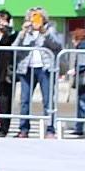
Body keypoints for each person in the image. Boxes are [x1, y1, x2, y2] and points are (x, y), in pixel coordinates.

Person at [14, 8, 62, 138]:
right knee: (24, 100)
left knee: (47, 100)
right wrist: (23, 32)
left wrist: (43, 32)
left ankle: (50, 130)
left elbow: (57, 46)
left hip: (44, 68)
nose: (34, 20)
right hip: (27, 69)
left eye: (37, 17)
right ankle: (23, 129)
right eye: (32, 17)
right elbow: (14, 47)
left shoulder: (49, 30)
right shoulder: (26, 32)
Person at [72, 25, 85, 137]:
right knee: (81, 102)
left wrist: (76, 69)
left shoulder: (83, 46)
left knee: (83, 102)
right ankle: (78, 127)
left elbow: (84, 62)